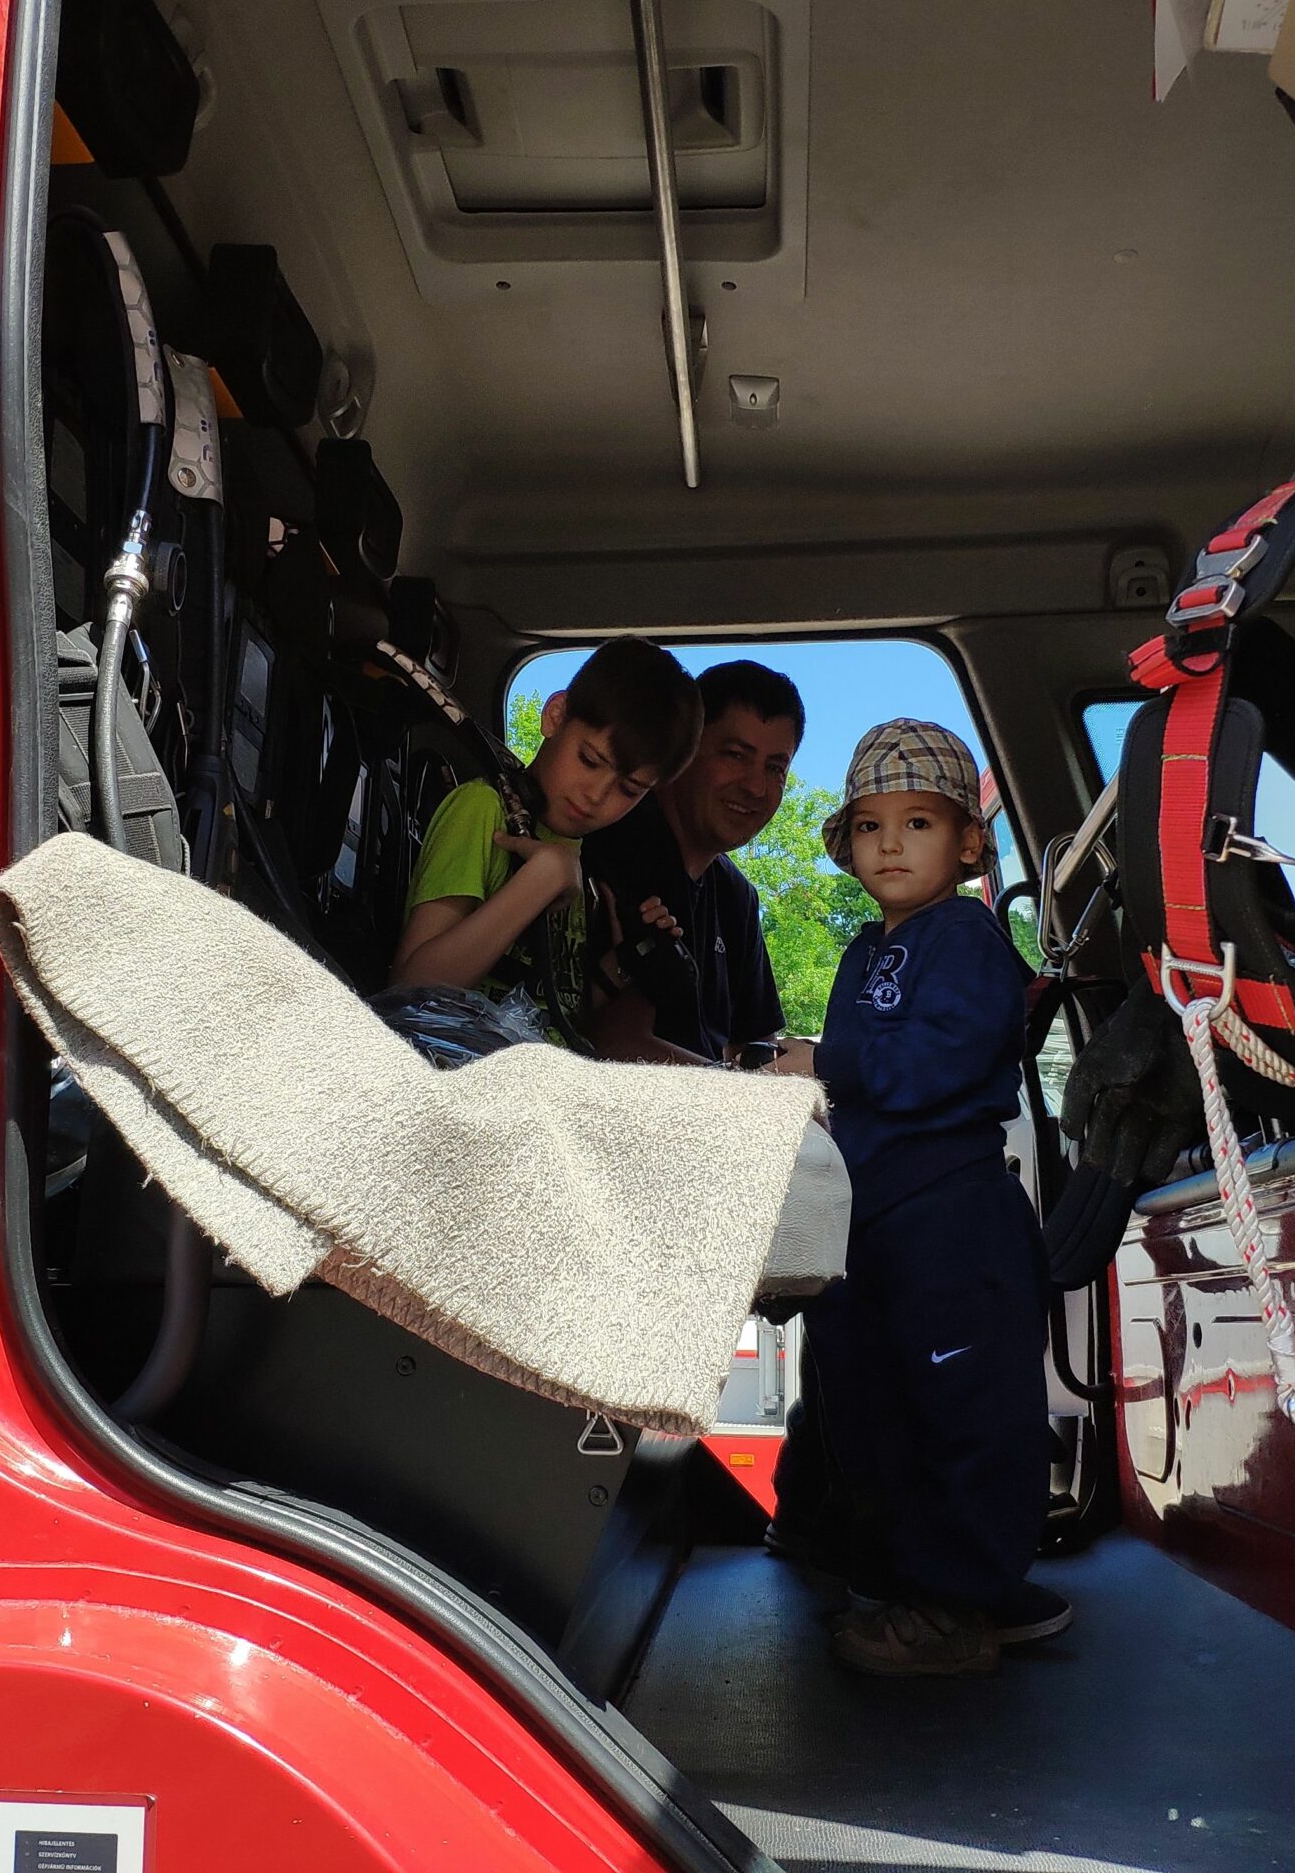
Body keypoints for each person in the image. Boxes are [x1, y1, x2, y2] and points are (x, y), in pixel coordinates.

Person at [772, 718, 1061, 1676]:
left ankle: (960, 1611)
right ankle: (894, 1575)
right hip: (876, 1222)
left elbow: (942, 1058)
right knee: (875, 1405)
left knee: (964, 1411)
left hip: (951, 1218)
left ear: (968, 843)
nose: (890, 844)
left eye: (920, 822)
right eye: (869, 826)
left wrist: (829, 1062)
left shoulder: (969, 940)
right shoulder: (864, 952)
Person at [391, 638, 701, 1033]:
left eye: (629, 789)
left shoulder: (578, 864)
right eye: (589, 760)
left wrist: (627, 962)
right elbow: (412, 993)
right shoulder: (483, 811)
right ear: (555, 715)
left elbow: (554, 1014)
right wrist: (539, 881)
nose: (596, 795)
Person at [580, 661, 801, 1065]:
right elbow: (619, 1047)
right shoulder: (624, 847)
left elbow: (755, 1045)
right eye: (735, 755)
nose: (755, 786)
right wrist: (752, 1097)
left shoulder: (737, 896)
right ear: (684, 752)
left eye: (775, 768)